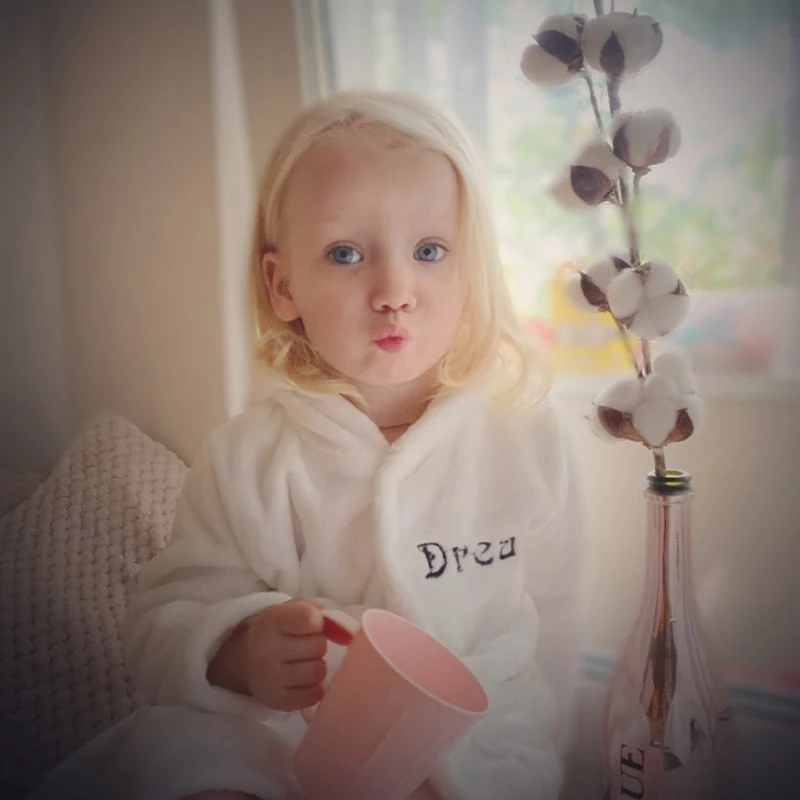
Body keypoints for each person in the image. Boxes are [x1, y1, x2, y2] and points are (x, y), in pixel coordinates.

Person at [28, 90, 586, 800]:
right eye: (345, 253)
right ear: (282, 283)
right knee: (167, 753)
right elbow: (161, 622)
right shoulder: (250, 456)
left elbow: (557, 620)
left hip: (476, 735)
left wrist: (552, 749)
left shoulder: (524, 435)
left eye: (430, 251)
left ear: (470, 271)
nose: (395, 290)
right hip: (293, 729)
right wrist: (238, 651)